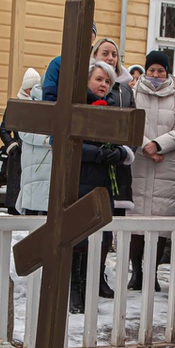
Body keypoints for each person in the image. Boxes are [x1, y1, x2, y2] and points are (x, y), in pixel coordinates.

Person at [71, 61, 136, 313]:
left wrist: (118, 153)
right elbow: (64, 142)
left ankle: (89, 289)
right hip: (79, 180)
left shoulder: (111, 110)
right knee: (77, 238)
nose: (103, 85)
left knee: (99, 238)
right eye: (99, 79)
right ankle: (73, 291)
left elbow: (126, 143)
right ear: (87, 81)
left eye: (108, 82)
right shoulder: (78, 107)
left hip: (104, 184)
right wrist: (98, 154)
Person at [127, 51, 175, 290]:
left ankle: (152, 273)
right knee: (136, 221)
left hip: (166, 164)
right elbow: (128, 121)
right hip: (139, 162)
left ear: (167, 72)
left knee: (159, 224)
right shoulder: (133, 93)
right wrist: (146, 145)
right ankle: (136, 273)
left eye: (161, 71)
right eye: (152, 70)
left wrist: (159, 144)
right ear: (146, 71)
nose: (156, 75)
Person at [2, 67, 41, 215]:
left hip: (34, 152)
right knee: (16, 186)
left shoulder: (41, 104)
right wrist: (12, 145)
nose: (32, 91)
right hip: (19, 152)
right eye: (30, 88)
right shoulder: (16, 105)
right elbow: (3, 129)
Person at [16, 75, 51, 215]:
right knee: (34, 212)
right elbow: (24, 132)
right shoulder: (30, 105)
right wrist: (47, 139)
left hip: (52, 166)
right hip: (36, 165)